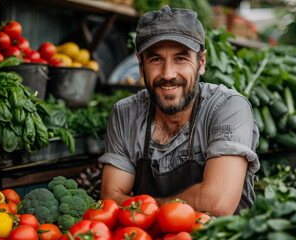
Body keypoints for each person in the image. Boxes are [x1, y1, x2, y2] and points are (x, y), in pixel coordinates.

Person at [99, 5, 260, 216]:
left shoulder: (227, 107)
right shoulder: (125, 114)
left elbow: (217, 203)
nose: (167, 73)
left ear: (201, 62)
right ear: (141, 66)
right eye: (156, 59)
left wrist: (144, 209)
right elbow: (110, 198)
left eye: (181, 58)